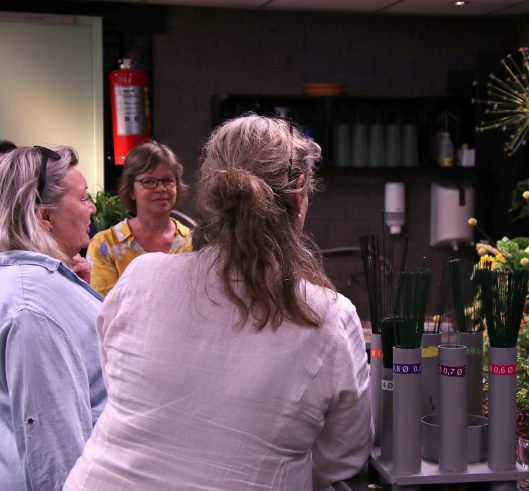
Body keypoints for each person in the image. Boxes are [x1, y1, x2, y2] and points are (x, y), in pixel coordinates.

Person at [65, 115, 372, 490]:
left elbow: (121, 385)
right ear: (298, 193)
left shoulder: (141, 277)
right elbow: (344, 456)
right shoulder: (328, 316)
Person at [0, 145, 106, 490]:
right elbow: (53, 443)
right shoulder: (33, 305)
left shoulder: (34, 288)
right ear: (45, 217)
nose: (91, 209)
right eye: (83, 198)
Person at [86, 140, 192, 296]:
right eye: (149, 181)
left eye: (168, 180)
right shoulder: (105, 245)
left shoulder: (194, 243)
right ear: (130, 190)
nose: (161, 189)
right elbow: (103, 310)